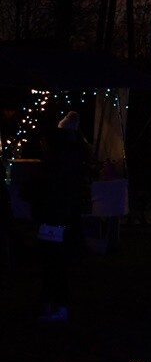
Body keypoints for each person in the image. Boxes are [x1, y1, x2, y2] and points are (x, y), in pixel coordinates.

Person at [34, 110, 92, 322]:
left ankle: (57, 304)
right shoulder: (75, 157)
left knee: (54, 263)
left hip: (55, 215)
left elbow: (45, 188)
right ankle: (53, 303)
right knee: (56, 263)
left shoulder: (57, 162)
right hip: (63, 216)